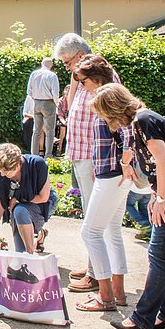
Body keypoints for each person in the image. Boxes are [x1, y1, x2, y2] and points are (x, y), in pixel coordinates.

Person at [91, 84, 165, 329]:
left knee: (158, 253)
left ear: (115, 109)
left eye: (106, 115)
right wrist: (156, 194)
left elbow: (164, 160)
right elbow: (157, 164)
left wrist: (161, 197)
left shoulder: (144, 120)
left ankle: (143, 317)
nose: (108, 122)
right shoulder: (141, 121)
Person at [53, 33, 120, 290]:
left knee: (96, 219)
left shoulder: (102, 76)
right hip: (80, 153)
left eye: (68, 62)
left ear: (80, 55)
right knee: (89, 212)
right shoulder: (79, 80)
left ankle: (97, 274)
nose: (67, 67)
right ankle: (94, 264)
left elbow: (113, 116)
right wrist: (73, 79)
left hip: (96, 156)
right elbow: (70, 110)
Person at [70, 55, 132, 312]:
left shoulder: (106, 97)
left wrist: (124, 161)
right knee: (112, 231)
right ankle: (118, 293)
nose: (81, 85)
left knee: (90, 232)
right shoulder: (113, 93)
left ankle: (105, 295)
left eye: (82, 80)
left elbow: (127, 130)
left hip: (110, 174)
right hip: (117, 174)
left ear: (95, 79)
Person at [0, 143, 58, 254]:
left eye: (6, 172)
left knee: (19, 210)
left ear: (18, 165)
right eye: (1, 172)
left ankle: (30, 254)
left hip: (44, 203)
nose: (3, 175)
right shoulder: (1, 174)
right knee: (20, 252)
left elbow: (43, 197)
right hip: (20, 209)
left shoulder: (37, 164)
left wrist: (18, 199)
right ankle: (37, 234)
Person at [26, 57, 60, 158]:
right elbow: (55, 92)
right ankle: (48, 155)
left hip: (36, 102)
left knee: (36, 130)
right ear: (51, 64)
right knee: (50, 131)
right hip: (48, 102)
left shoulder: (34, 74)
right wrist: (56, 103)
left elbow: (29, 91)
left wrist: (35, 99)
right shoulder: (52, 75)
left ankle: (34, 154)